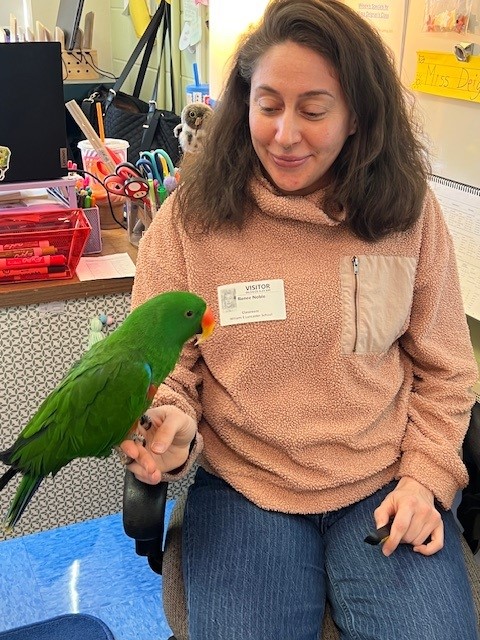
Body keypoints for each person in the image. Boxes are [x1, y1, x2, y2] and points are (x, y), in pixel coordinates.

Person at [120, 1, 479, 638]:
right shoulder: (193, 220)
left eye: (314, 111)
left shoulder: (405, 214)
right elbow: (167, 374)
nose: (285, 135)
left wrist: (426, 478)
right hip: (246, 486)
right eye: (268, 105)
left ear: (356, 117)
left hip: (381, 479)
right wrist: (169, 426)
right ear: (243, 102)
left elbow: (447, 369)